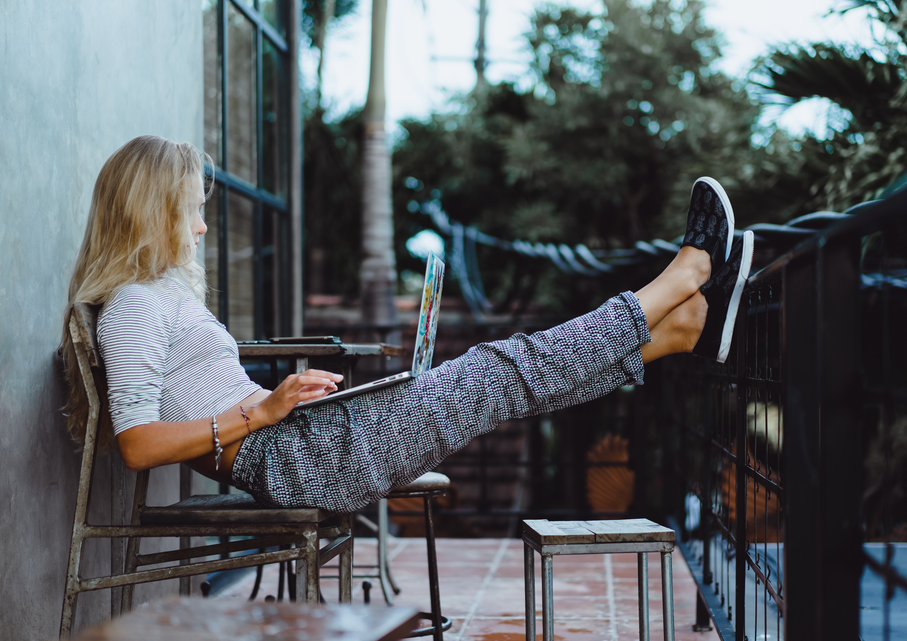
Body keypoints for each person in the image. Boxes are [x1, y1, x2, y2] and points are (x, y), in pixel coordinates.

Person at [62, 135, 753, 514]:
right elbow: (137, 444)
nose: (202, 224)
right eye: (189, 209)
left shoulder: (154, 295)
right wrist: (262, 410)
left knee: (505, 377)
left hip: (301, 441)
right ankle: (680, 281)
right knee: (498, 368)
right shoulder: (130, 307)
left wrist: (282, 404)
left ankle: (672, 332)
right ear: (151, 212)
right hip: (297, 463)